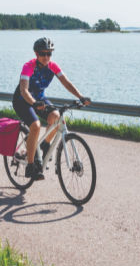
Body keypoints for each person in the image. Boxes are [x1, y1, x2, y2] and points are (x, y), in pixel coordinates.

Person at [12, 37, 90, 180]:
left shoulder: (53, 66)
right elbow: (24, 90)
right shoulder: (28, 66)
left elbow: (67, 83)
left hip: (39, 99)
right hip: (22, 100)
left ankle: (45, 144)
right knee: (35, 125)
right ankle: (30, 166)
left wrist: (80, 96)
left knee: (55, 116)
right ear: (36, 54)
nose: (46, 57)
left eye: (49, 54)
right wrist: (34, 103)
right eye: (43, 54)